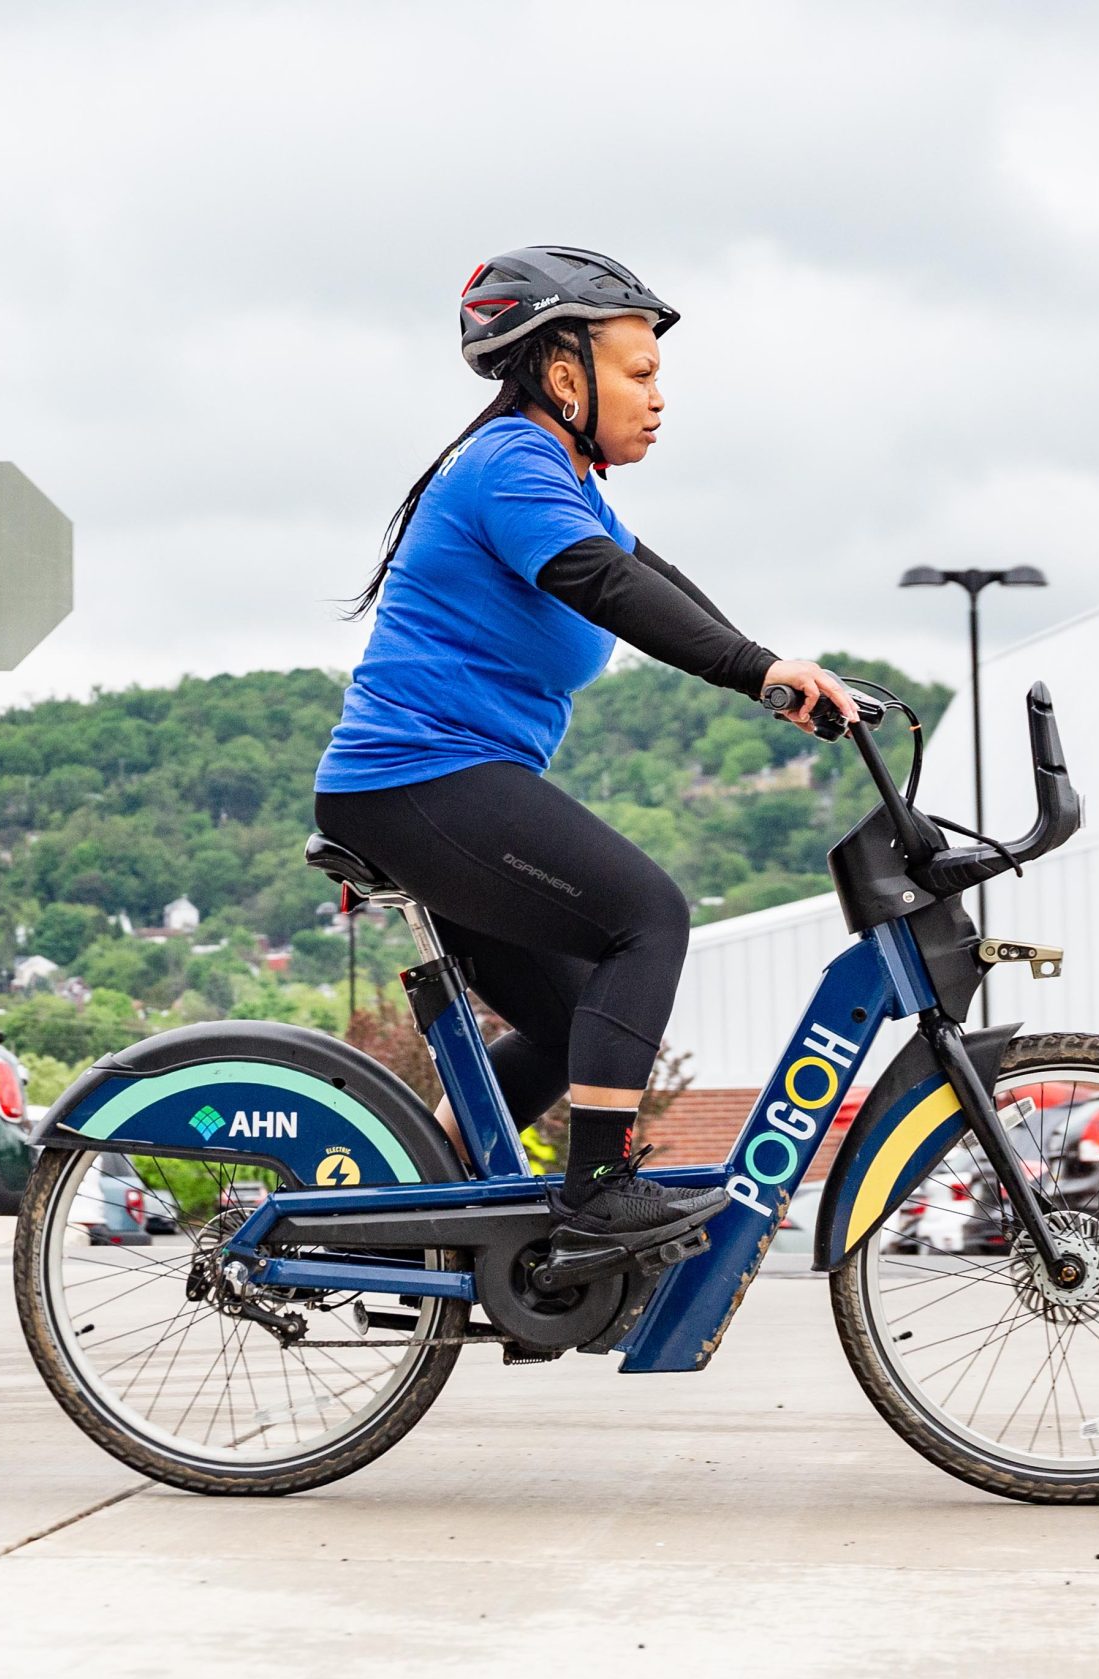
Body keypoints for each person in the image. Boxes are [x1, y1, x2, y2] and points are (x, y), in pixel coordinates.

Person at [314, 245, 857, 1254]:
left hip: (437, 787)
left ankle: (411, 1226)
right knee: (647, 915)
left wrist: (775, 671)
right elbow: (605, 584)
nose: (659, 398)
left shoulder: (560, 480)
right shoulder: (510, 464)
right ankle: (597, 1190)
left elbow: (657, 577)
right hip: (417, 783)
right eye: (639, 373)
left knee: (573, 1033)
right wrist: (756, 671)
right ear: (565, 374)